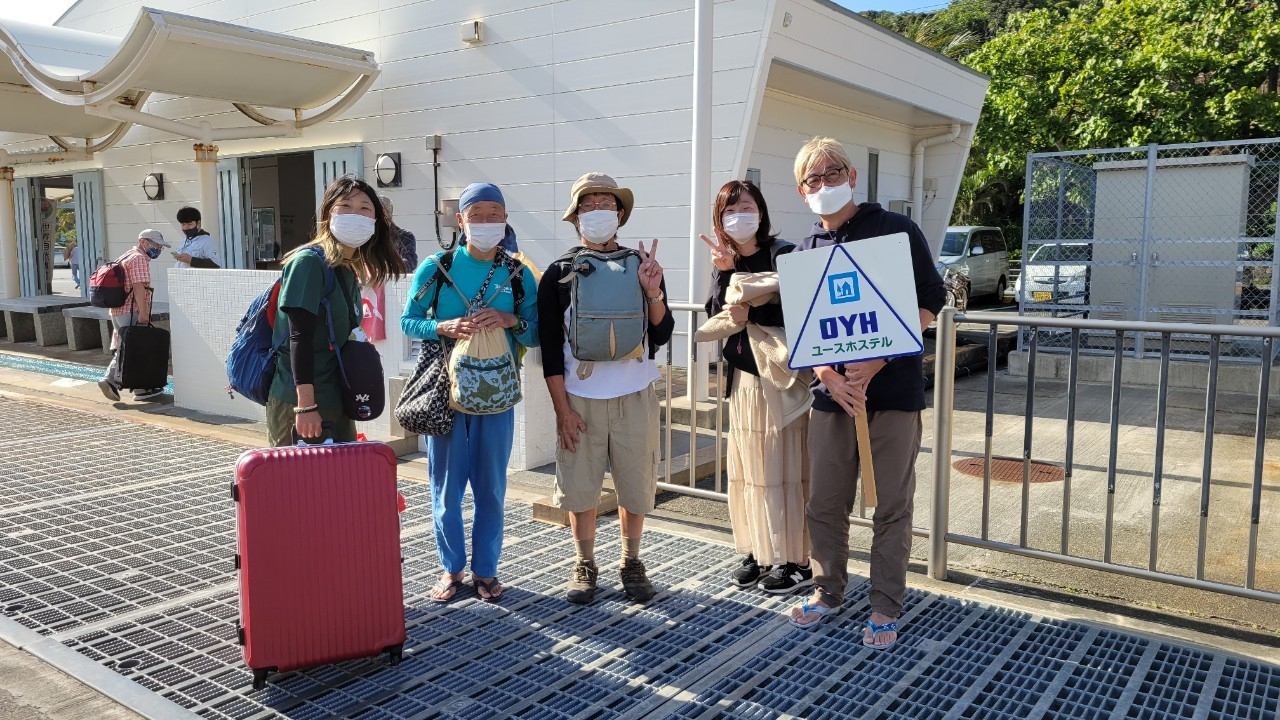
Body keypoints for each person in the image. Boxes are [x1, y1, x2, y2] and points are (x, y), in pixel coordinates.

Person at [786, 138, 945, 649]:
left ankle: (885, 604)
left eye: (833, 173)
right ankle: (827, 591)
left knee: (891, 503)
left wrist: (878, 359)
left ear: (852, 176)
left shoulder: (896, 229)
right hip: (832, 399)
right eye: (813, 179)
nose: (824, 184)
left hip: (893, 392)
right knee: (824, 501)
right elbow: (802, 334)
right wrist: (829, 376)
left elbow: (931, 299)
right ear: (801, 191)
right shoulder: (804, 252)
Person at [537, 172, 674, 605]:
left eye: (606, 204)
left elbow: (662, 333)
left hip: (635, 394)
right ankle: (585, 562)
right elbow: (550, 350)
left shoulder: (641, 265)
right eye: (589, 204)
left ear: (620, 214)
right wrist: (562, 410)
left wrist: (653, 291)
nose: (598, 211)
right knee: (581, 488)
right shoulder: (558, 273)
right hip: (580, 398)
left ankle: (631, 561)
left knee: (636, 484)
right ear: (576, 217)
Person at [401, 181, 539, 604]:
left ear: (505, 219)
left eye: (494, 215)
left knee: (491, 489)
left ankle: (487, 570)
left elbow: (535, 334)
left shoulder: (519, 274)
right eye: (476, 215)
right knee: (446, 490)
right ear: (460, 220)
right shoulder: (436, 267)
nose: (485, 222)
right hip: (446, 395)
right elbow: (409, 321)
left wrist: (510, 320)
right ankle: (451, 567)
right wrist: (442, 326)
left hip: (496, 396)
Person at [700, 180, 812, 594]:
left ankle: (798, 560)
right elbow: (718, 315)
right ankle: (759, 552)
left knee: (786, 469)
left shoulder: (785, 254)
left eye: (745, 207)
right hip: (743, 380)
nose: (738, 216)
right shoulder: (723, 261)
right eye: (729, 211)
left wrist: (752, 307)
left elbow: (801, 309)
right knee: (750, 470)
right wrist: (725, 271)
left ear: (761, 212)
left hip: (779, 377)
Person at [266, 175, 404, 447]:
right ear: (329, 214)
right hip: (303, 404)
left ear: (376, 221)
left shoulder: (345, 268)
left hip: (336, 399)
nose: (356, 214)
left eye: (365, 208)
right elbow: (299, 337)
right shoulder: (309, 263)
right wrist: (306, 406)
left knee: (339, 475)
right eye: (346, 206)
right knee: (299, 476)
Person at [98, 229, 170, 402]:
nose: (158, 249)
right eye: (156, 245)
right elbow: (139, 288)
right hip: (131, 311)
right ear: (143, 242)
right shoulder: (138, 259)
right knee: (132, 348)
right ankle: (111, 381)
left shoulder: (127, 255)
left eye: (160, 247)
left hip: (118, 310)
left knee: (130, 348)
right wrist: (144, 314)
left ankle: (141, 388)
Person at [379, 195, 419, 271]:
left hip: (395, 277)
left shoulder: (405, 236)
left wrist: (387, 267)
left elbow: (410, 262)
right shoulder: (367, 236)